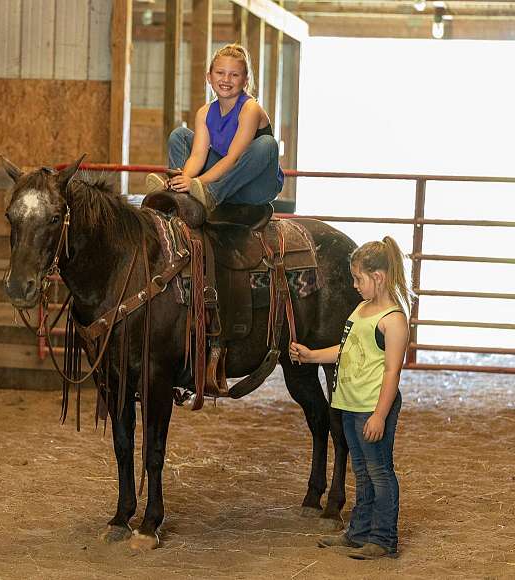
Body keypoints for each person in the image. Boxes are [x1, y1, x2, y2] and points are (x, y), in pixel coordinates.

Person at [289, 236, 412, 560]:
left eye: (358, 278)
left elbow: (391, 373)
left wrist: (380, 415)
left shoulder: (393, 320)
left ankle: (383, 538)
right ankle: (358, 533)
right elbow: (347, 350)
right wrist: (312, 355)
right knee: (362, 470)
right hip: (349, 403)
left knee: (380, 472)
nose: (354, 285)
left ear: (379, 277)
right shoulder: (361, 309)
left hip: (371, 406)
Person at [145, 43, 284, 211]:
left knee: (267, 144)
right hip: (223, 178)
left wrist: (199, 183)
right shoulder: (204, 113)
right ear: (209, 77)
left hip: (255, 185)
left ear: (245, 81)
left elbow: (233, 159)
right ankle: (177, 193)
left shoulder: (250, 109)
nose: (226, 80)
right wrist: (185, 179)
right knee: (179, 135)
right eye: (220, 73)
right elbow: (197, 155)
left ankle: (210, 195)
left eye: (234, 75)